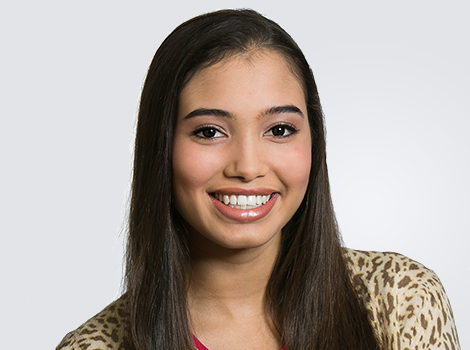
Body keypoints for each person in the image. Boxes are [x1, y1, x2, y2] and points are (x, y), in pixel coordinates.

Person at [56, 9, 460, 350]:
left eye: (280, 130)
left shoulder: (400, 298)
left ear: (314, 142)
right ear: (160, 148)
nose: (248, 167)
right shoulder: (94, 346)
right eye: (209, 131)